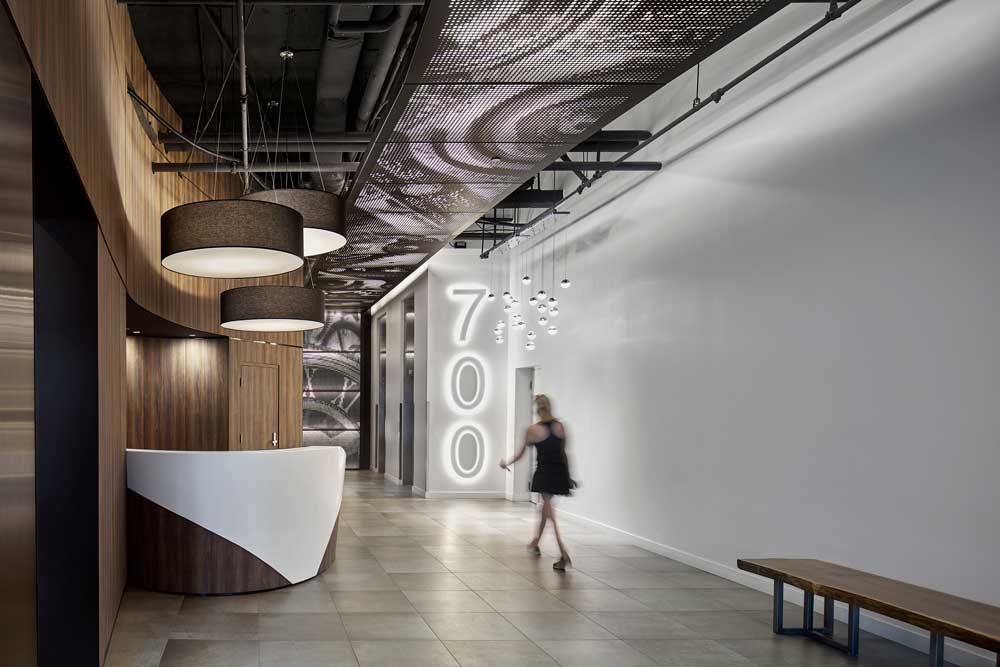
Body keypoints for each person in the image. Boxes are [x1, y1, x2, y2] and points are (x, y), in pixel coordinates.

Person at [500, 394, 573, 571]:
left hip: (545, 473)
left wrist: (505, 463)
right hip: (559, 472)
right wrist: (568, 476)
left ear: (537, 409)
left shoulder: (533, 430)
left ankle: (563, 553)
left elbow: (520, 454)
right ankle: (535, 542)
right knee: (545, 509)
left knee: (550, 514)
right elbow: (564, 454)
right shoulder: (560, 427)